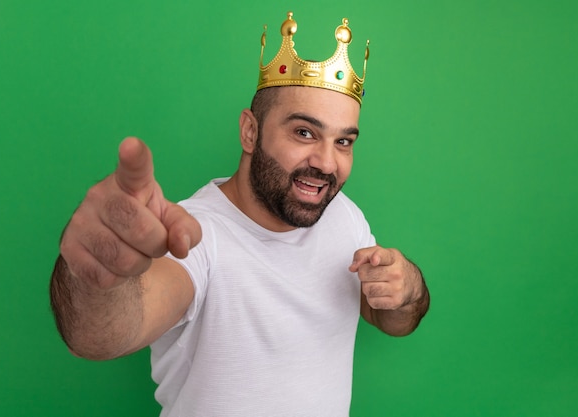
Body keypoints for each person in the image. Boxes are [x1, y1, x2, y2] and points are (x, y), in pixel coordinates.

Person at [50, 12, 430, 417]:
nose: (326, 163)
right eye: (304, 132)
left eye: (343, 142)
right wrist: (92, 273)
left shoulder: (343, 216)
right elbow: (98, 336)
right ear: (250, 131)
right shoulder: (195, 236)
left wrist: (408, 289)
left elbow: (389, 317)